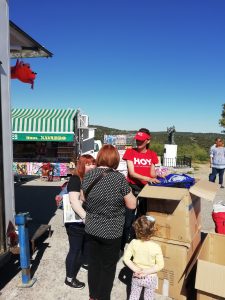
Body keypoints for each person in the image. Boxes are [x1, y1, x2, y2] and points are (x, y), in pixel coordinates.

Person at [81, 144, 137, 300]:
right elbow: (132, 204)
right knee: (108, 267)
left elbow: (82, 198)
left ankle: (93, 296)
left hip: (91, 227)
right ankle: (103, 296)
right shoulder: (118, 178)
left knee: (94, 264)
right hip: (111, 231)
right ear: (115, 160)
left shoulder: (89, 175)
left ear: (100, 157)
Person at [121, 128, 160, 250]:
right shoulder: (130, 152)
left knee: (142, 216)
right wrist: (148, 178)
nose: (138, 143)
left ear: (148, 141)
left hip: (146, 189)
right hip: (132, 187)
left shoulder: (152, 154)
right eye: (137, 140)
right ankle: (122, 243)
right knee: (128, 216)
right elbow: (132, 173)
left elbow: (152, 173)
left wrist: (160, 175)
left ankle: (137, 240)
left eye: (141, 141)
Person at [64, 154, 96, 289]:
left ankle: (85, 263)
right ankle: (69, 278)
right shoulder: (76, 179)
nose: (92, 166)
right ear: (81, 165)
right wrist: (85, 217)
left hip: (85, 220)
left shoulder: (89, 178)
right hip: (76, 222)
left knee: (86, 244)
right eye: (88, 164)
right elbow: (74, 201)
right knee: (75, 249)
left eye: (93, 163)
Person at [123, 215, 164, 300]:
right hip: (150, 277)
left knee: (134, 296)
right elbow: (160, 265)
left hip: (137, 276)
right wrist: (146, 271)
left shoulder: (133, 243)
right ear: (153, 232)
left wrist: (136, 269)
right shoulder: (156, 247)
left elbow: (126, 259)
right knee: (149, 297)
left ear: (136, 230)